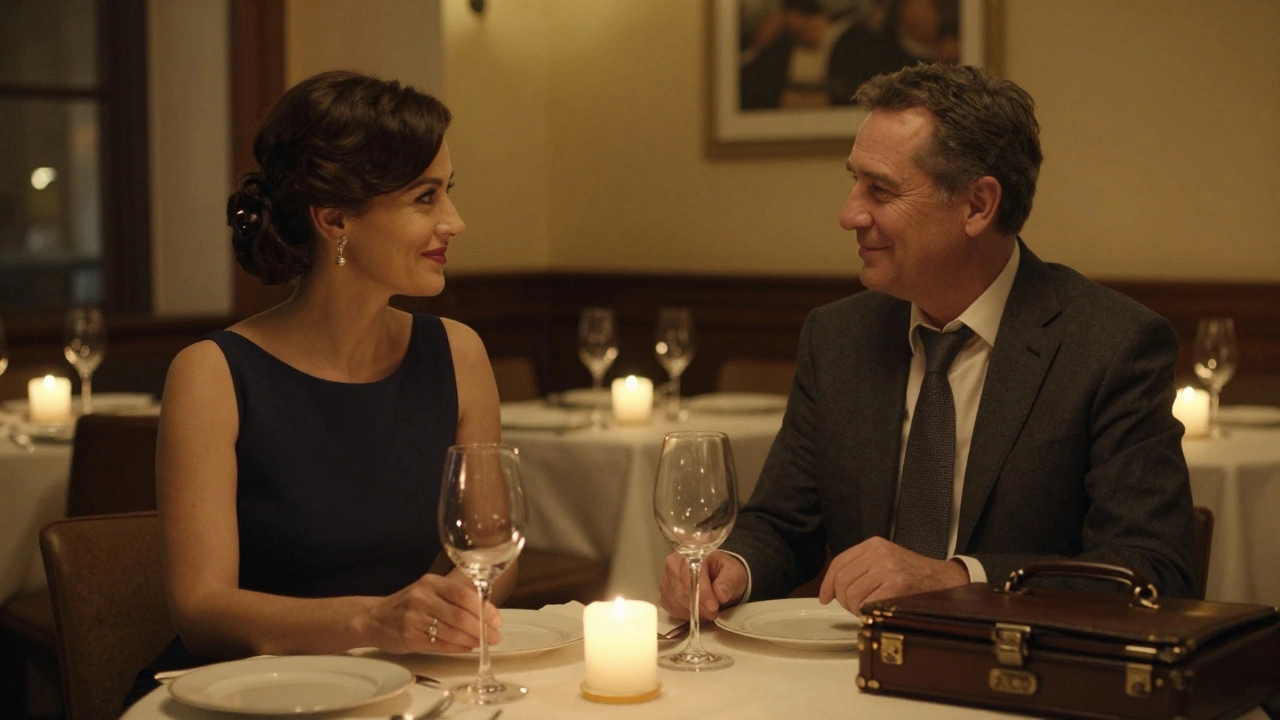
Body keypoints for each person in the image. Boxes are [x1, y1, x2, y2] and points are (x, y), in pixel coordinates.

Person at [660, 63, 1197, 622]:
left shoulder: (1110, 345)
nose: (849, 214)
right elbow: (783, 523)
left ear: (978, 206)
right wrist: (731, 566)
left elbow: (1153, 570)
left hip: (1020, 683)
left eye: (881, 189)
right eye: (853, 181)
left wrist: (959, 579)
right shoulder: (838, 336)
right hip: (853, 678)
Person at [128, 70, 510, 703]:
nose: (455, 222)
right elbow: (199, 610)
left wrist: (452, 612)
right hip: (250, 696)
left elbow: (493, 550)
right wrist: (371, 623)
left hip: (411, 687)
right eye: (425, 198)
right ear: (335, 219)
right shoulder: (213, 374)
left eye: (448, 193)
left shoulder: (459, 353)